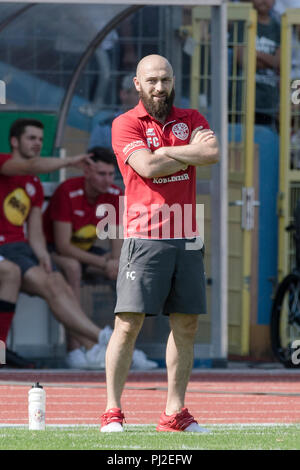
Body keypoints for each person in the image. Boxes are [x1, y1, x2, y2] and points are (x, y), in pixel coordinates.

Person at [100, 55, 219, 433]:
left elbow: (212, 154)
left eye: (165, 80)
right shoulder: (125, 123)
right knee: (128, 322)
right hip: (144, 235)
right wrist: (183, 155)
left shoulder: (192, 117)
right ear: (137, 84)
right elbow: (146, 169)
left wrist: (164, 152)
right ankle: (112, 412)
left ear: (172, 81)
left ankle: (174, 413)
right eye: (151, 80)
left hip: (187, 235)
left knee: (186, 325)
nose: (159, 87)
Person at [0, 118, 120, 369]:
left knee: (56, 282)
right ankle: (102, 338)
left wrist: (42, 254)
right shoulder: (4, 164)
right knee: (48, 277)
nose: (37, 143)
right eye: (31, 138)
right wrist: (69, 161)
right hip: (4, 250)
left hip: (19, 249)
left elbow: (33, 232)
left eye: (40, 140)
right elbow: (31, 164)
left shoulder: (33, 184)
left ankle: (95, 346)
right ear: (14, 141)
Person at [43, 145, 157, 370]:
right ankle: (76, 349)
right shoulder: (68, 191)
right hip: (54, 252)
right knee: (73, 268)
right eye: (100, 174)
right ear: (86, 172)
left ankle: (126, 347)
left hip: (87, 253)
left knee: (128, 271)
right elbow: (64, 246)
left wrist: (116, 263)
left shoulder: (114, 193)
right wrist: (105, 263)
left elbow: (117, 236)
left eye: (109, 174)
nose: (107, 180)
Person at [88, 74, 139, 151]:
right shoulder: (105, 127)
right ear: (123, 94)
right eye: (137, 93)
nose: (142, 98)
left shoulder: (153, 124)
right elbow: (95, 159)